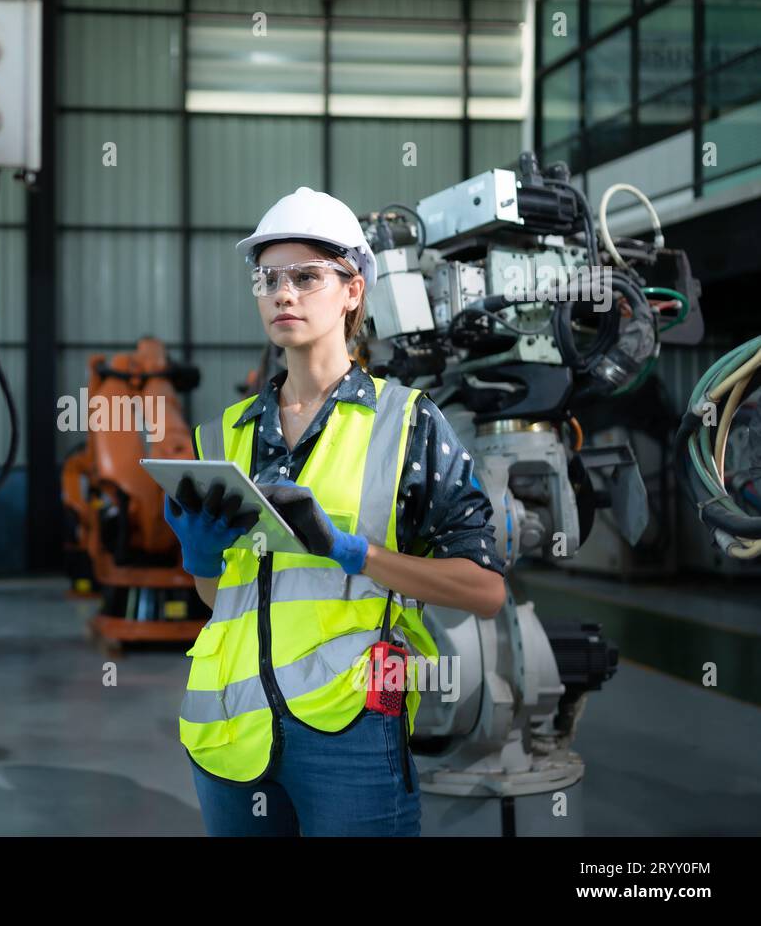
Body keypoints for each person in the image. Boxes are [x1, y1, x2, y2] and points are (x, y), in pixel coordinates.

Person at [162, 186, 507, 836]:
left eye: (305, 277)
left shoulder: (407, 423)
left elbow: (484, 591)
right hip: (229, 730)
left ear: (353, 290)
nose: (282, 294)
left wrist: (355, 553)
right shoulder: (224, 436)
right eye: (268, 279)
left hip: (353, 729)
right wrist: (201, 560)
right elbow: (223, 599)